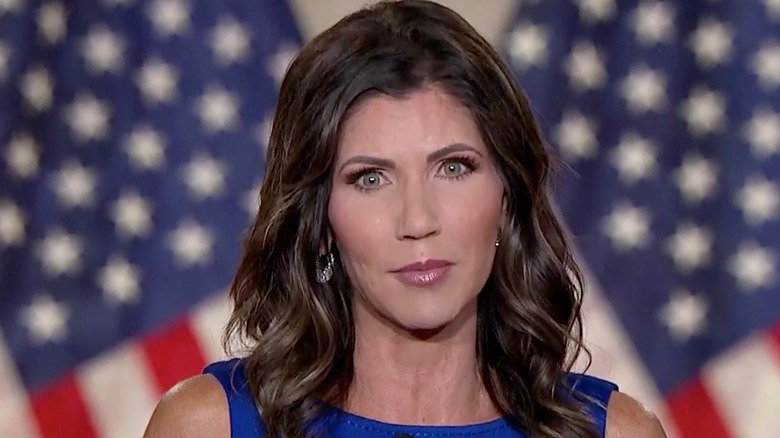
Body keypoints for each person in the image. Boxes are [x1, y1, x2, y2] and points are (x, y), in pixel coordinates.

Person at [143, 1, 667, 437]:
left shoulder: (613, 432)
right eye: (371, 178)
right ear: (320, 220)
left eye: (453, 167)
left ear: (507, 195)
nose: (417, 220)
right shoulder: (209, 426)